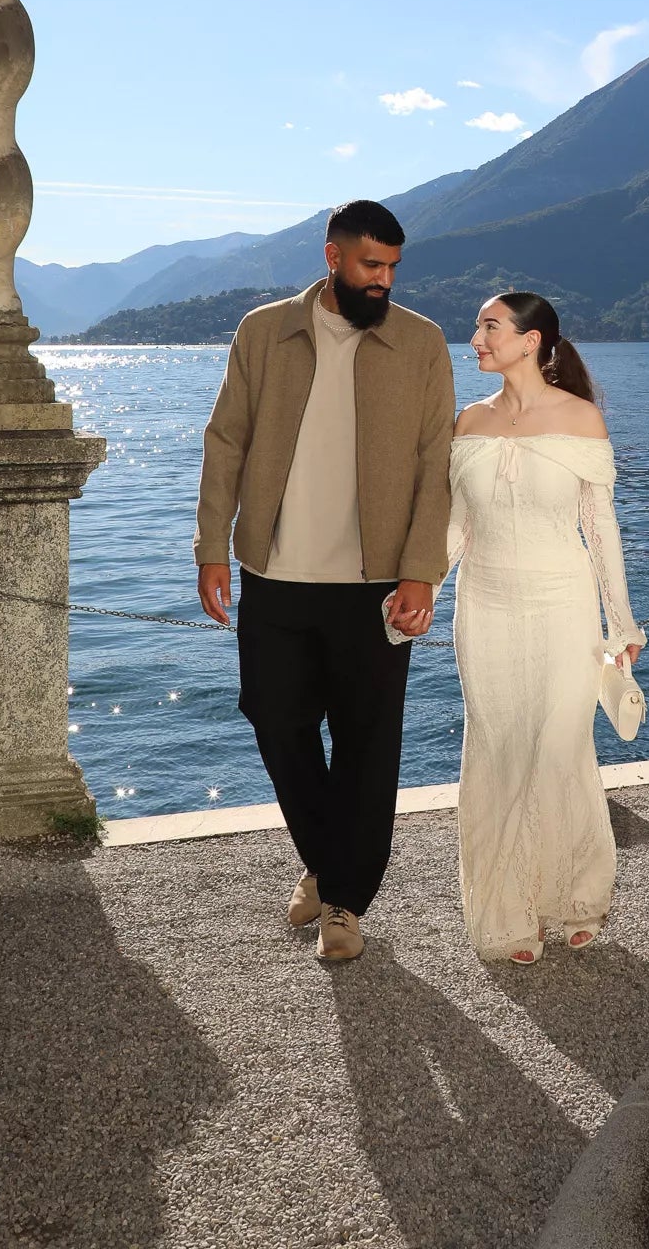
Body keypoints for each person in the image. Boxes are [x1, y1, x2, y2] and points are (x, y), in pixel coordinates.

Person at [194, 199, 456, 962]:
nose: (384, 280)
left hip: (374, 584)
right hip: (273, 572)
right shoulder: (264, 331)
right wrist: (212, 546)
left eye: (393, 268)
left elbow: (433, 466)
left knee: (368, 743)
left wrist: (420, 573)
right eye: (371, 265)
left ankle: (343, 902)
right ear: (333, 257)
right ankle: (327, 860)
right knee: (273, 718)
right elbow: (226, 439)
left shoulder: (421, 343)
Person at [449, 291, 645, 965]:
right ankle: (506, 913)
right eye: (478, 325)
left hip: (565, 605)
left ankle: (572, 897)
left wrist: (620, 622)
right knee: (499, 749)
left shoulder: (580, 419)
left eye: (488, 325)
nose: (474, 337)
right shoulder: (467, 421)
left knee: (562, 748)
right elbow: (455, 528)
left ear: (530, 341)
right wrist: (411, 593)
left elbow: (600, 528)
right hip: (483, 607)